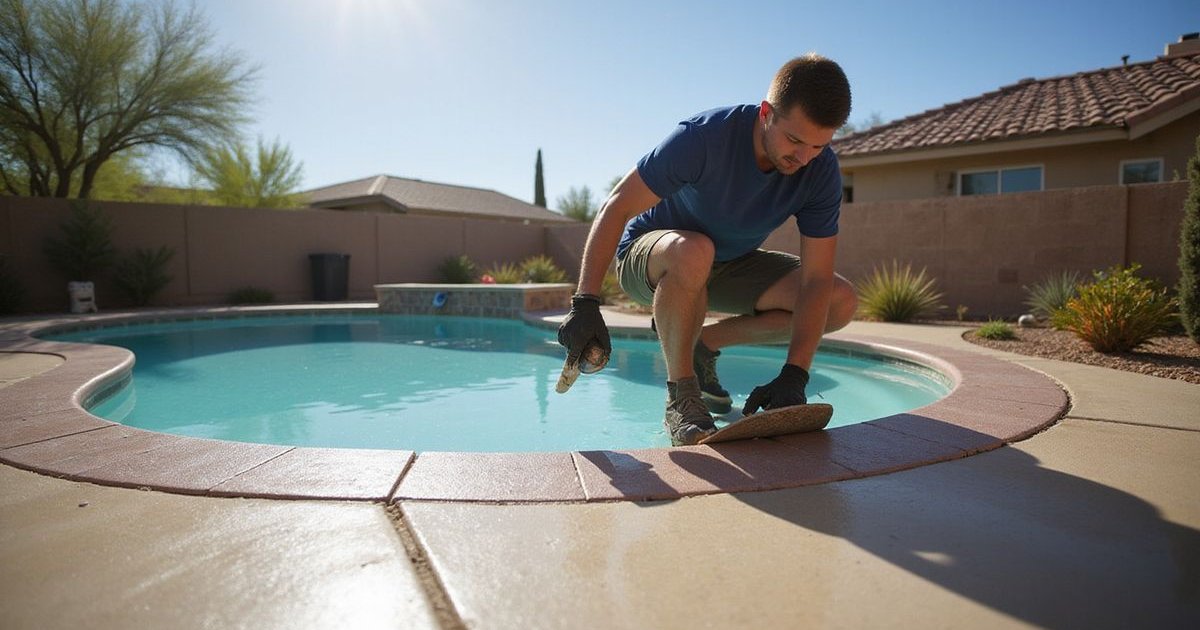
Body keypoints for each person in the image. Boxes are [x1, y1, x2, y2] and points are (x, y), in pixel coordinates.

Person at [558, 53, 859, 446]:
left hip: (727, 263)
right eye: (795, 140)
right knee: (694, 249)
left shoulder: (819, 171)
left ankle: (705, 343)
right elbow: (617, 205)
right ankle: (682, 398)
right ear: (767, 112)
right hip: (652, 256)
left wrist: (795, 374)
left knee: (840, 300)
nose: (803, 158)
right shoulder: (704, 138)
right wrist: (585, 303)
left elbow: (816, 279)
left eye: (818, 146)